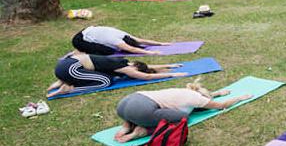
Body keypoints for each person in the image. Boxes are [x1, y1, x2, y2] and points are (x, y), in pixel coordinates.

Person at [113, 81, 253, 143]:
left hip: (124, 104)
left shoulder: (185, 91)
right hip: (141, 111)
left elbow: (204, 97)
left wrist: (219, 92)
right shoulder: (197, 98)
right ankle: (140, 131)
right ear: (203, 96)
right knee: (183, 118)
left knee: (148, 110)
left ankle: (126, 126)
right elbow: (222, 105)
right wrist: (240, 97)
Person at [47, 52, 184, 97]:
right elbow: (147, 76)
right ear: (135, 68)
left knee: (104, 77)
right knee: (106, 81)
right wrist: (171, 75)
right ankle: (69, 88)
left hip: (65, 66)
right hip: (71, 69)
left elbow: (147, 68)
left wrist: (169, 66)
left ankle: (62, 81)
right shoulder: (124, 66)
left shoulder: (123, 62)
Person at [72, 25, 169, 56]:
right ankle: (79, 51)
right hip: (79, 40)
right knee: (108, 51)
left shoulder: (125, 35)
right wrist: (151, 53)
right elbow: (132, 49)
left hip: (88, 31)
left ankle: (85, 48)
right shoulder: (116, 40)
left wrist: (160, 43)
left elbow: (140, 40)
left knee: (109, 48)